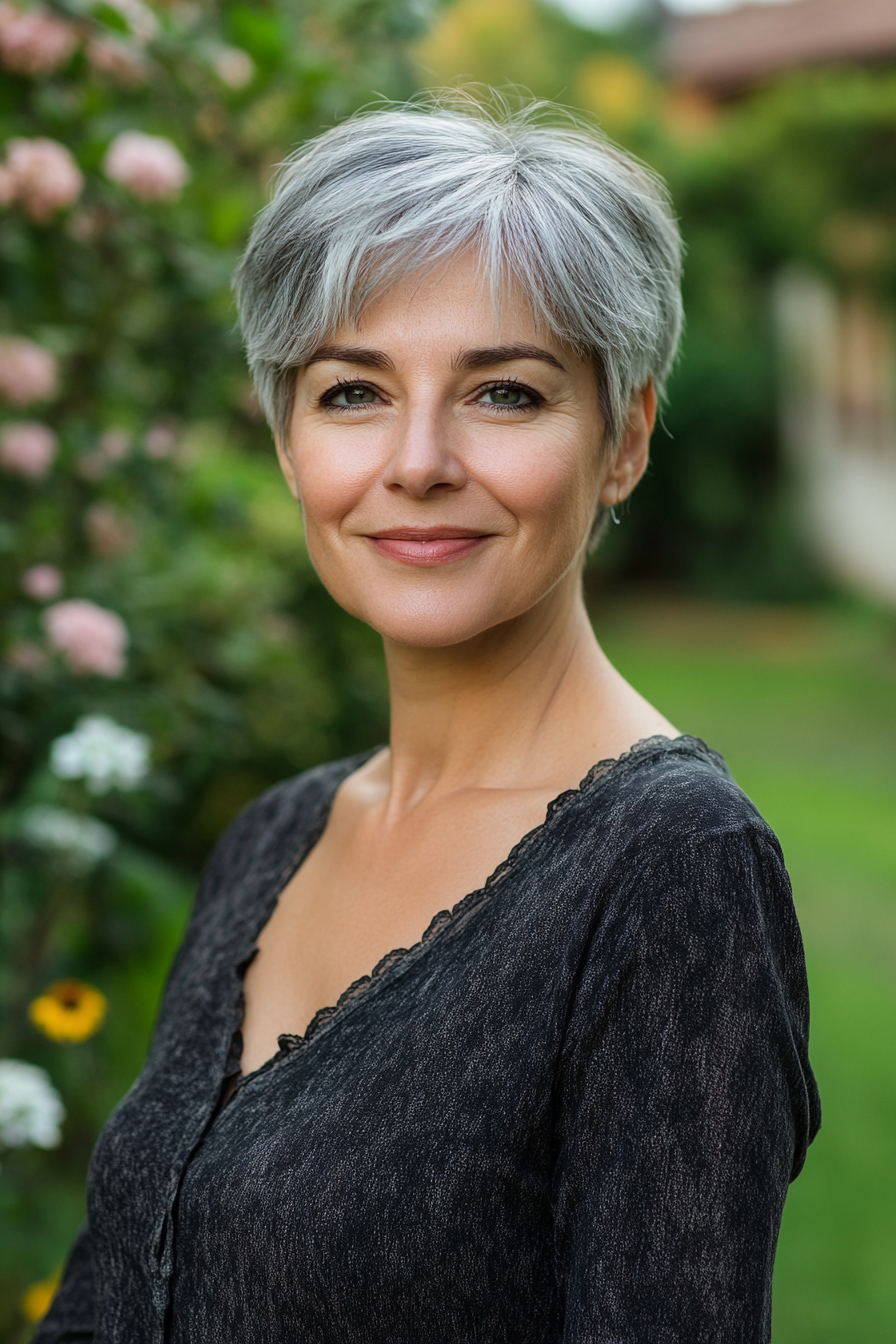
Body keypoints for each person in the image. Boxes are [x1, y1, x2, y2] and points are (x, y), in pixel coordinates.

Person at [36, 96, 820, 1344]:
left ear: (621, 439)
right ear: (289, 442)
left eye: (503, 394)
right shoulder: (275, 838)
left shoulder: (669, 873)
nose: (416, 461)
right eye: (351, 392)